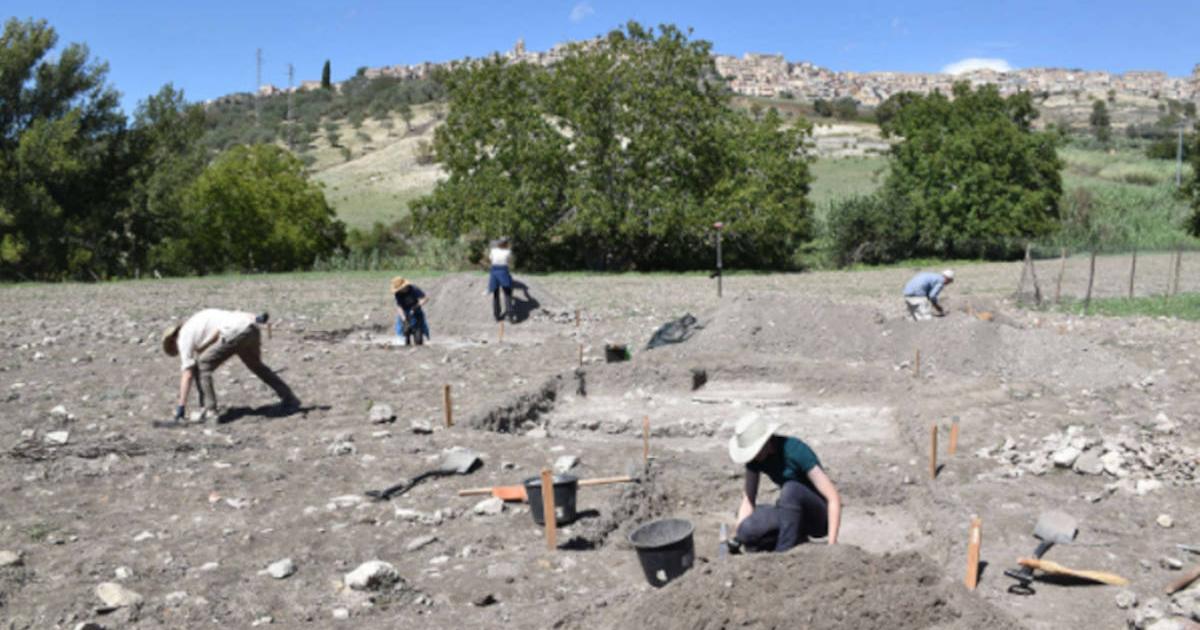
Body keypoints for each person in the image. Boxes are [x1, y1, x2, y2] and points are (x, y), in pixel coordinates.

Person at [728, 414, 841, 553]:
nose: (754, 457)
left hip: (819, 517)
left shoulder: (795, 450)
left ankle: (783, 552)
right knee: (748, 529)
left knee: (791, 489)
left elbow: (833, 497)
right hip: (791, 512)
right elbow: (748, 500)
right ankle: (798, 539)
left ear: (767, 441)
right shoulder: (755, 460)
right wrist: (739, 536)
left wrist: (832, 545)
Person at [162, 309, 299, 423]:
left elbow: (188, 373)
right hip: (250, 328)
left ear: (173, 339)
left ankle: (210, 411)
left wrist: (181, 406)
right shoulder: (197, 321)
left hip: (234, 332)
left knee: (202, 365)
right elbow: (217, 333)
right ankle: (289, 399)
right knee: (257, 367)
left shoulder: (183, 337)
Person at [391, 276, 430, 345]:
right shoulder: (397, 293)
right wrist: (404, 319)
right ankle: (400, 338)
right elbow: (399, 307)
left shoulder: (414, 289)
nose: (399, 290)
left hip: (416, 310)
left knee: (422, 327)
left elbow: (425, 298)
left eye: (400, 289)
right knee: (401, 326)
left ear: (404, 286)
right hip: (404, 311)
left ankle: (426, 337)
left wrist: (417, 306)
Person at [487, 238, 515, 322]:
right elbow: (509, 261)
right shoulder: (508, 252)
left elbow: (491, 259)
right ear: (506, 244)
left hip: (494, 271)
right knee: (507, 293)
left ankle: (496, 315)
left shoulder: (493, 251)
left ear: (498, 244)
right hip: (503, 271)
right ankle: (510, 316)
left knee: (496, 294)